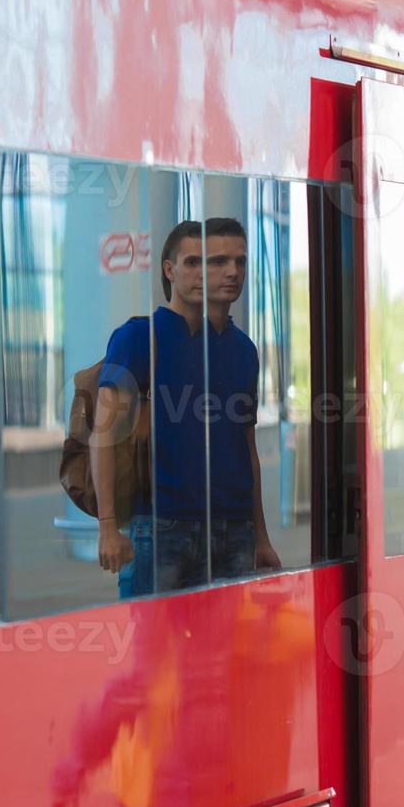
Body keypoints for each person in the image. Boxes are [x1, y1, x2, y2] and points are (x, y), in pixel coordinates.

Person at [94, 217, 282, 598]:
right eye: (210, 262)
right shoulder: (138, 337)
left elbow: (247, 449)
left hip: (234, 531)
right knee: (154, 653)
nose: (231, 272)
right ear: (170, 270)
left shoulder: (244, 349)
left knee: (224, 654)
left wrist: (261, 536)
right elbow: (104, 435)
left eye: (240, 262)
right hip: (161, 529)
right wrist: (108, 527)